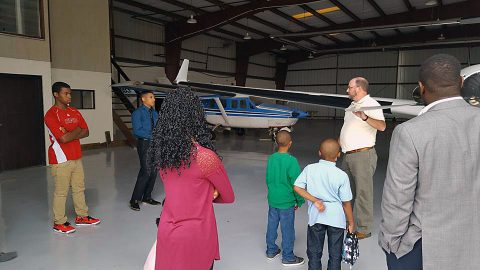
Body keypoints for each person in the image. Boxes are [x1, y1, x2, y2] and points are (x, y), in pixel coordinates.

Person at [379, 54, 480, 270]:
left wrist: (391, 242)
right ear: (461, 83)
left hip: (426, 246)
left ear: (421, 87)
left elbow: (397, 198)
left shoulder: (409, 132)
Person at [149, 87, 234, 270]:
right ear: (195, 116)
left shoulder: (163, 154)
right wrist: (210, 192)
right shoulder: (205, 157)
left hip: (167, 231)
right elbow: (228, 196)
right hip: (197, 235)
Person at [44, 82, 100, 234]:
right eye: (66, 93)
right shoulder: (51, 115)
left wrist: (69, 132)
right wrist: (76, 131)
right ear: (56, 94)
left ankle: (82, 216)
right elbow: (62, 139)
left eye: (70, 94)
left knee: (79, 188)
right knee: (61, 192)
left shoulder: (74, 111)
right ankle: (59, 222)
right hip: (61, 159)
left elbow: (86, 131)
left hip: (76, 156)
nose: (69, 96)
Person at [294, 138, 354, 270]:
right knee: (335, 254)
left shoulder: (310, 169)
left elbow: (297, 187)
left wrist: (315, 200)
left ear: (319, 153)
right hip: (336, 219)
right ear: (338, 154)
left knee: (314, 253)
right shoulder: (342, 175)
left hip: (317, 216)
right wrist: (351, 222)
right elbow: (346, 203)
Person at [339, 77, 386, 239]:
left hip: (362, 156)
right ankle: (349, 222)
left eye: (349, 87)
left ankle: (364, 228)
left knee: (363, 193)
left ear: (358, 88)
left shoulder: (371, 104)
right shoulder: (352, 106)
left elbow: (382, 126)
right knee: (347, 192)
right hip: (348, 155)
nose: (347, 90)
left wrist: (365, 117)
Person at [265, 130, 306, 266]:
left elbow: (268, 179)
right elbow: (297, 183)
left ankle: (271, 250)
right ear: (290, 144)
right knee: (287, 229)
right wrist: (299, 200)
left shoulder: (271, 159)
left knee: (272, 225)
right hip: (287, 202)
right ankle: (288, 257)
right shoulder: (291, 161)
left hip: (273, 200)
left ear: (276, 143)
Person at [129, 90, 161, 211]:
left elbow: (158, 127)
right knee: (146, 170)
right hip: (145, 143)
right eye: (151, 97)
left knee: (154, 171)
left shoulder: (154, 113)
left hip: (155, 143)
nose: (154, 99)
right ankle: (134, 199)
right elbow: (137, 131)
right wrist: (154, 135)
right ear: (143, 99)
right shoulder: (137, 113)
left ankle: (147, 197)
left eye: (154, 97)